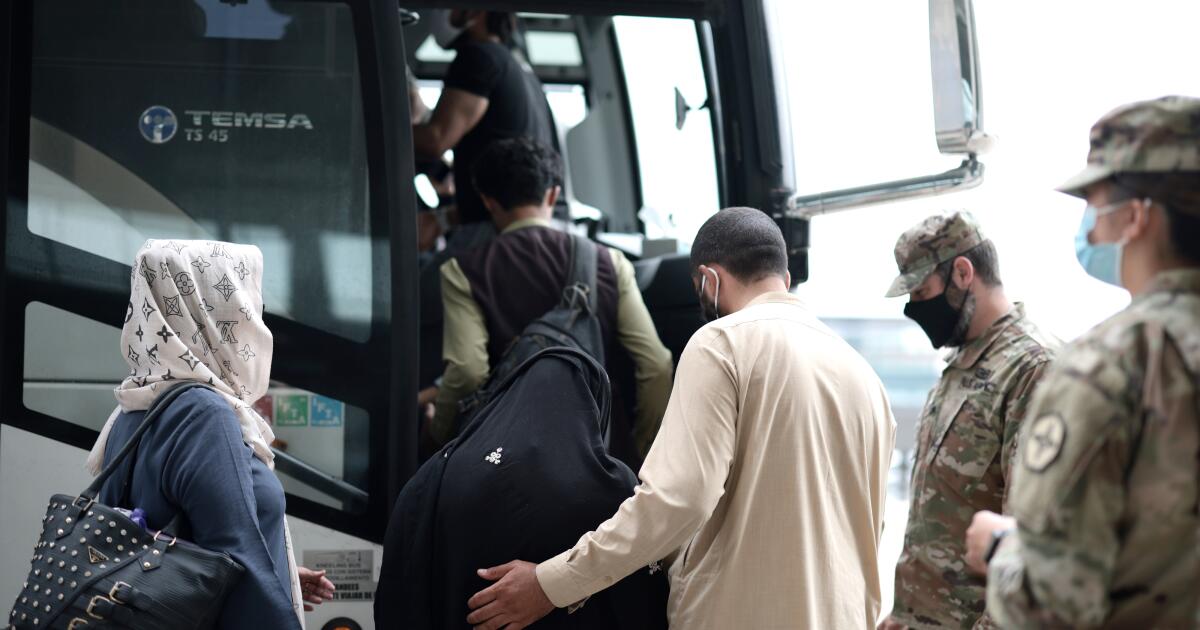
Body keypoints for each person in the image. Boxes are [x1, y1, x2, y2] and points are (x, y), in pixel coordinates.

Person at [464, 207, 897, 629]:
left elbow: (679, 500)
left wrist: (553, 584)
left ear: (709, 279)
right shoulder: (866, 378)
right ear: (784, 278)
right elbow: (867, 530)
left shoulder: (721, 343)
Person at [965, 95, 1200, 628]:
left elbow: (1049, 605)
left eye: (1096, 202)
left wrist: (1001, 549)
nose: (1090, 227)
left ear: (1136, 217)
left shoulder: (1112, 365)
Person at [85, 240, 335, 629]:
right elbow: (236, 555)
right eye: (246, 305)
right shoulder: (202, 413)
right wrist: (268, 590)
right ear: (211, 314)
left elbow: (166, 543)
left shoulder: (133, 407)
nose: (256, 320)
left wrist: (281, 572)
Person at [429, 138, 672, 463]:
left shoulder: (463, 271)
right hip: (601, 462)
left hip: (506, 462)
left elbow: (468, 372)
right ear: (553, 195)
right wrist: (637, 450)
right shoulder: (609, 262)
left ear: (488, 201)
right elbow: (656, 365)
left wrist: (438, 436)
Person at [878, 212, 1059, 630]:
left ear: (962, 273)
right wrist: (906, 614)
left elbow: (1031, 538)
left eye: (922, 292)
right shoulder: (963, 362)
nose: (915, 309)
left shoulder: (1033, 369)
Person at [412, 9, 554, 252]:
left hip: (494, 234)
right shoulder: (521, 69)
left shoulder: (479, 56)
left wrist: (370, 127)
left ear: (477, 11)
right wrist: (442, 220)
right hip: (517, 226)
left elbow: (436, 140)